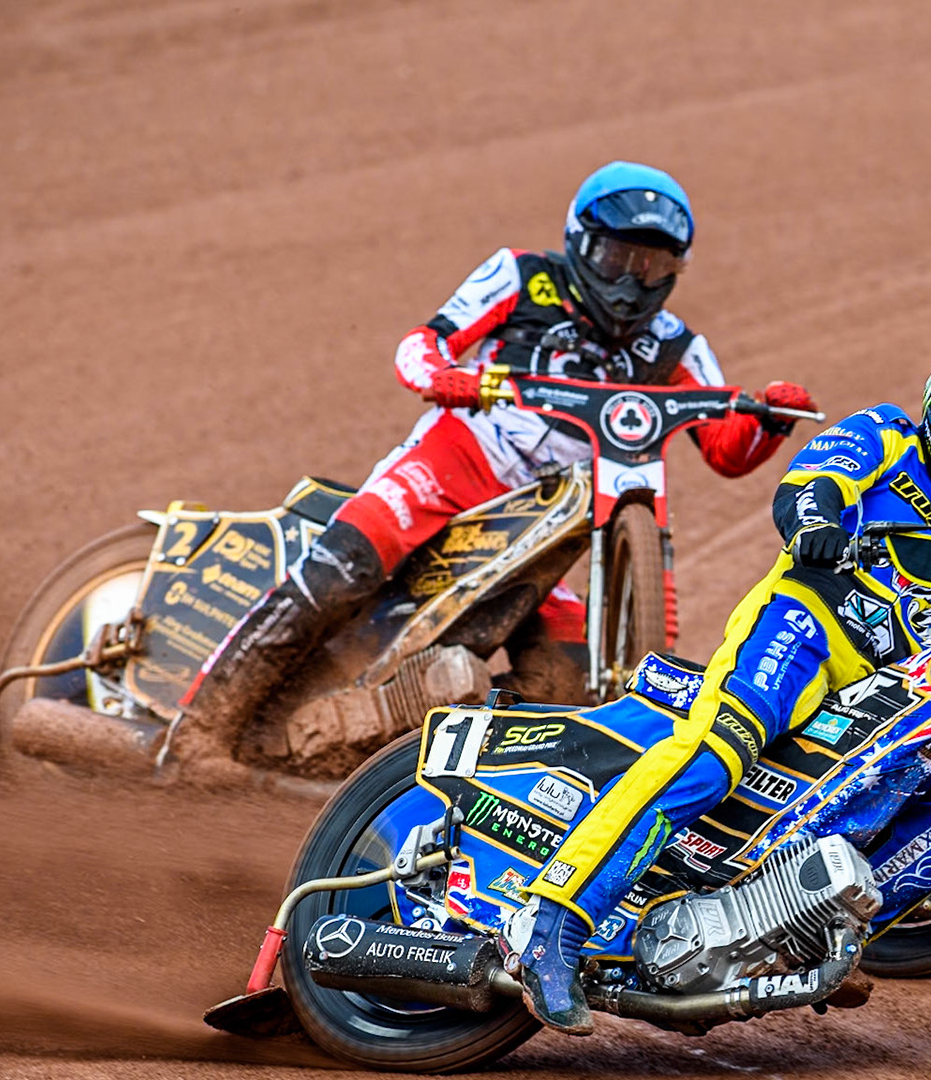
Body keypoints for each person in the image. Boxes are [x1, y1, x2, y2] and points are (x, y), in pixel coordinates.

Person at [499, 323, 931, 1033]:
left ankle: (809, 928)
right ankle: (551, 924)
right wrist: (817, 521)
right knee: (717, 751)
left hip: (904, 679)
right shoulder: (886, 434)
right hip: (807, 628)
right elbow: (811, 481)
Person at [161, 161, 816, 781]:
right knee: (345, 566)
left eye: (654, 266)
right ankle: (199, 733)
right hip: (455, 466)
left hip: (552, 528)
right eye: (619, 259)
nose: (633, 281)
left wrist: (772, 420)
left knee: (564, 683)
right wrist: (442, 377)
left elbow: (728, 450)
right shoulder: (522, 277)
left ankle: (420, 757)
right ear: (582, 244)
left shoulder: (675, 345)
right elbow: (427, 341)